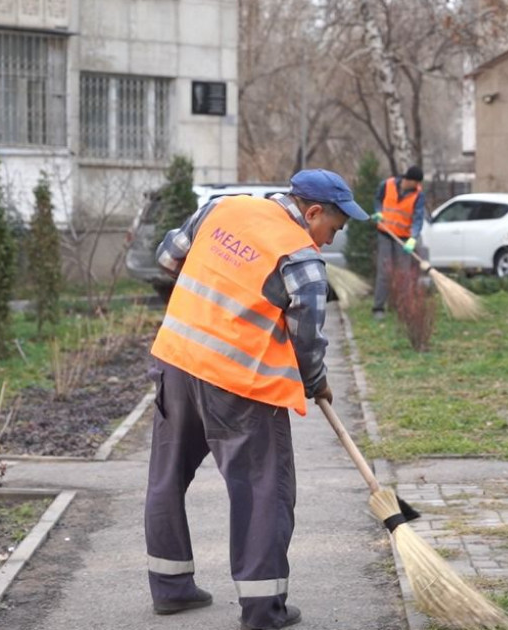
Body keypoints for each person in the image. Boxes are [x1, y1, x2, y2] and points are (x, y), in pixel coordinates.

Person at [144, 169, 367, 629]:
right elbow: (307, 341)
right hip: (240, 387)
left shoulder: (224, 208)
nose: (328, 240)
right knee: (264, 492)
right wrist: (315, 381)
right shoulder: (301, 260)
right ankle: (263, 608)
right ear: (313, 212)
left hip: (177, 362)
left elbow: (167, 259)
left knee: (167, 477)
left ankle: (171, 589)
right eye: (333, 228)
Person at [370, 165, 426, 319]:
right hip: (385, 233)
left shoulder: (418, 195)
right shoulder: (387, 184)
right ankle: (378, 308)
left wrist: (413, 238)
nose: (418, 186)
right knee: (384, 271)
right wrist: (378, 212)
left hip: (403, 238)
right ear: (408, 180)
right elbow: (377, 200)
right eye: (416, 183)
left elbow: (418, 218)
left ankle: (403, 308)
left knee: (403, 273)